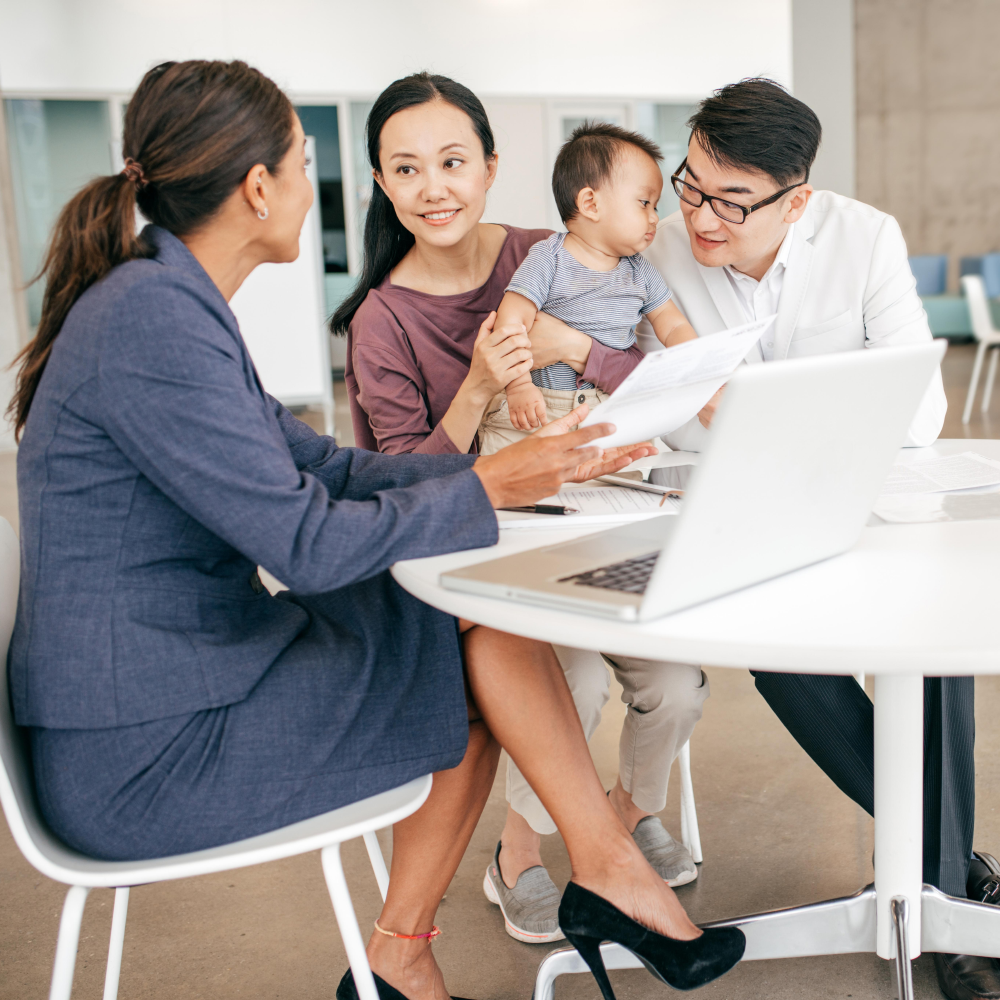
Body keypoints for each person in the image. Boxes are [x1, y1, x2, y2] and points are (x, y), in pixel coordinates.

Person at [9, 59, 745, 1000]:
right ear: (258, 187)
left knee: (478, 633)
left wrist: (499, 474)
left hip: (180, 686)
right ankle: (516, 915)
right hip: (144, 754)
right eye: (303, 154)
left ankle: (547, 901)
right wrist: (488, 482)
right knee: (467, 644)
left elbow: (328, 466)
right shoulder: (153, 322)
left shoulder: (168, 300)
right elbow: (306, 541)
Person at [640, 77, 999, 1000]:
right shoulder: (664, 248)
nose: (704, 217)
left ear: (795, 200)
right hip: (736, 514)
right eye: (693, 185)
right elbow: (666, 416)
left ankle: (936, 877)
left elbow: (920, 402)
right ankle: (954, 887)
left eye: (733, 201)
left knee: (933, 647)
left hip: (867, 498)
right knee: (784, 661)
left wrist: (777, 424)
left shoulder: (861, 234)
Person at [337, 73, 710, 947]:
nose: (435, 188)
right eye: (408, 169)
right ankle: (519, 856)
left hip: (596, 518)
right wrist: (472, 387)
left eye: (454, 161)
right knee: (573, 680)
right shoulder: (382, 322)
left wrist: (576, 348)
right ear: (384, 185)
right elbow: (405, 492)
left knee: (675, 682)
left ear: (491, 166)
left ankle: (619, 820)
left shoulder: (556, 252)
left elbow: (652, 371)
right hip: (483, 556)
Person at [484, 122, 696, 446]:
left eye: (655, 206)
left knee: (623, 479)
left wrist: (696, 361)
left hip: (609, 408)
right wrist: (517, 386)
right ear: (591, 204)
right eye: (644, 203)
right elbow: (510, 323)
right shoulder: (548, 258)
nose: (655, 217)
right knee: (515, 481)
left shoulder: (640, 271)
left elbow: (673, 325)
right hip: (538, 405)